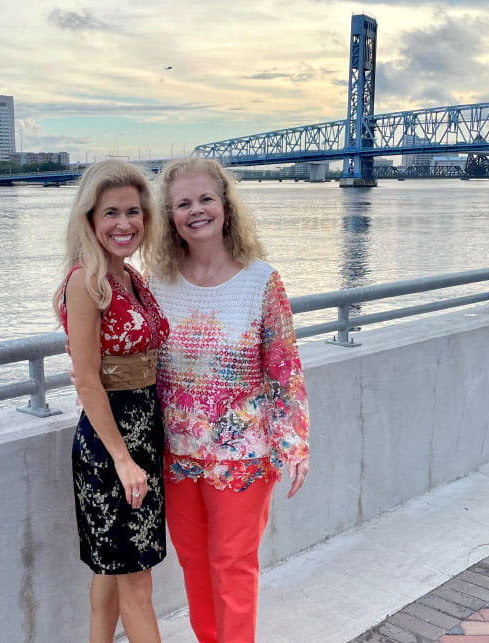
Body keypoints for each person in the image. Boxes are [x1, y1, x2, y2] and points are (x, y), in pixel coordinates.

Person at [148, 157, 310, 643]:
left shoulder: (261, 281)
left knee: (233, 566)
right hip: (177, 456)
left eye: (205, 199)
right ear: (170, 216)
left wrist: (294, 443)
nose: (196, 211)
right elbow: (140, 361)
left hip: (242, 457)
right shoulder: (158, 284)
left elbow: (284, 371)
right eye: (183, 203)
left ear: (225, 205)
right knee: (195, 563)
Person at [53, 159, 170, 643]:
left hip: (144, 434)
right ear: (90, 219)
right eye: (111, 213)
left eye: (133, 212)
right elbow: (85, 380)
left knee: (110, 568)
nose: (125, 224)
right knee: (136, 580)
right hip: (110, 447)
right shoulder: (88, 282)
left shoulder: (133, 278)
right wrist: (123, 461)